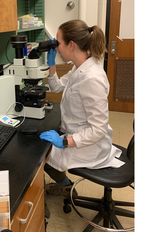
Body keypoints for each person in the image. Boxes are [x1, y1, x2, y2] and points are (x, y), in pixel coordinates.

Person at [40, 19, 124, 199]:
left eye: (58, 43)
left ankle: (64, 186)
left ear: (71, 45)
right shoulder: (80, 67)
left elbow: (99, 129)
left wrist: (63, 142)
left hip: (90, 146)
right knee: (43, 149)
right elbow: (56, 87)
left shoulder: (91, 77)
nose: (57, 47)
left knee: (39, 156)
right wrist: (51, 63)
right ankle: (63, 184)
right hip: (79, 134)